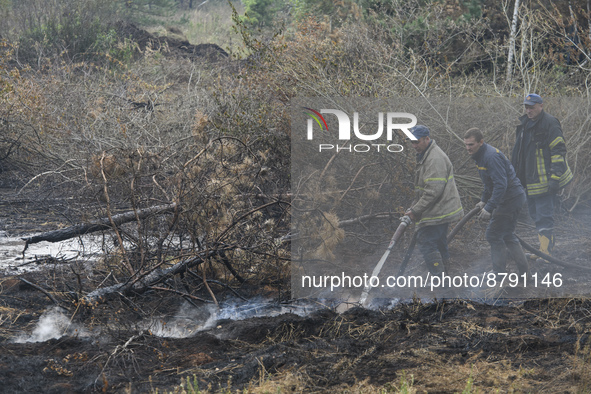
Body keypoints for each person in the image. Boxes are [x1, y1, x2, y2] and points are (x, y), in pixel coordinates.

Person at [511, 94, 573, 257]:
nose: (528, 110)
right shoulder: (526, 124)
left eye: (531, 107)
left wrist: (555, 178)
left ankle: (546, 254)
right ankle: (543, 249)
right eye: (526, 107)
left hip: (546, 182)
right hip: (530, 182)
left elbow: (559, 151)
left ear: (541, 106)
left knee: (544, 217)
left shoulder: (550, 123)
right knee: (535, 216)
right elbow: (520, 154)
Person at [464, 128, 529, 275]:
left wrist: (489, 207)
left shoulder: (491, 157)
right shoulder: (480, 155)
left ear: (481, 142)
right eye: (466, 145)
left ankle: (498, 275)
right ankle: (525, 274)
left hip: (510, 198)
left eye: (471, 144)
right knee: (507, 235)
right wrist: (483, 201)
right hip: (511, 197)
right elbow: (489, 183)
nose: (468, 148)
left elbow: (501, 185)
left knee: (493, 235)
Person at [403, 125, 463, 276]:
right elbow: (425, 188)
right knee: (440, 243)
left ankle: (440, 279)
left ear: (427, 139)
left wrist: (416, 210)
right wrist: (414, 208)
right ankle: (445, 277)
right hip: (438, 208)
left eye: (417, 142)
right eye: (412, 142)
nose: (414, 146)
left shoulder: (434, 158)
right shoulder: (427, 154)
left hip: (439, 210)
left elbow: (432, 192)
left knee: (426, 244)